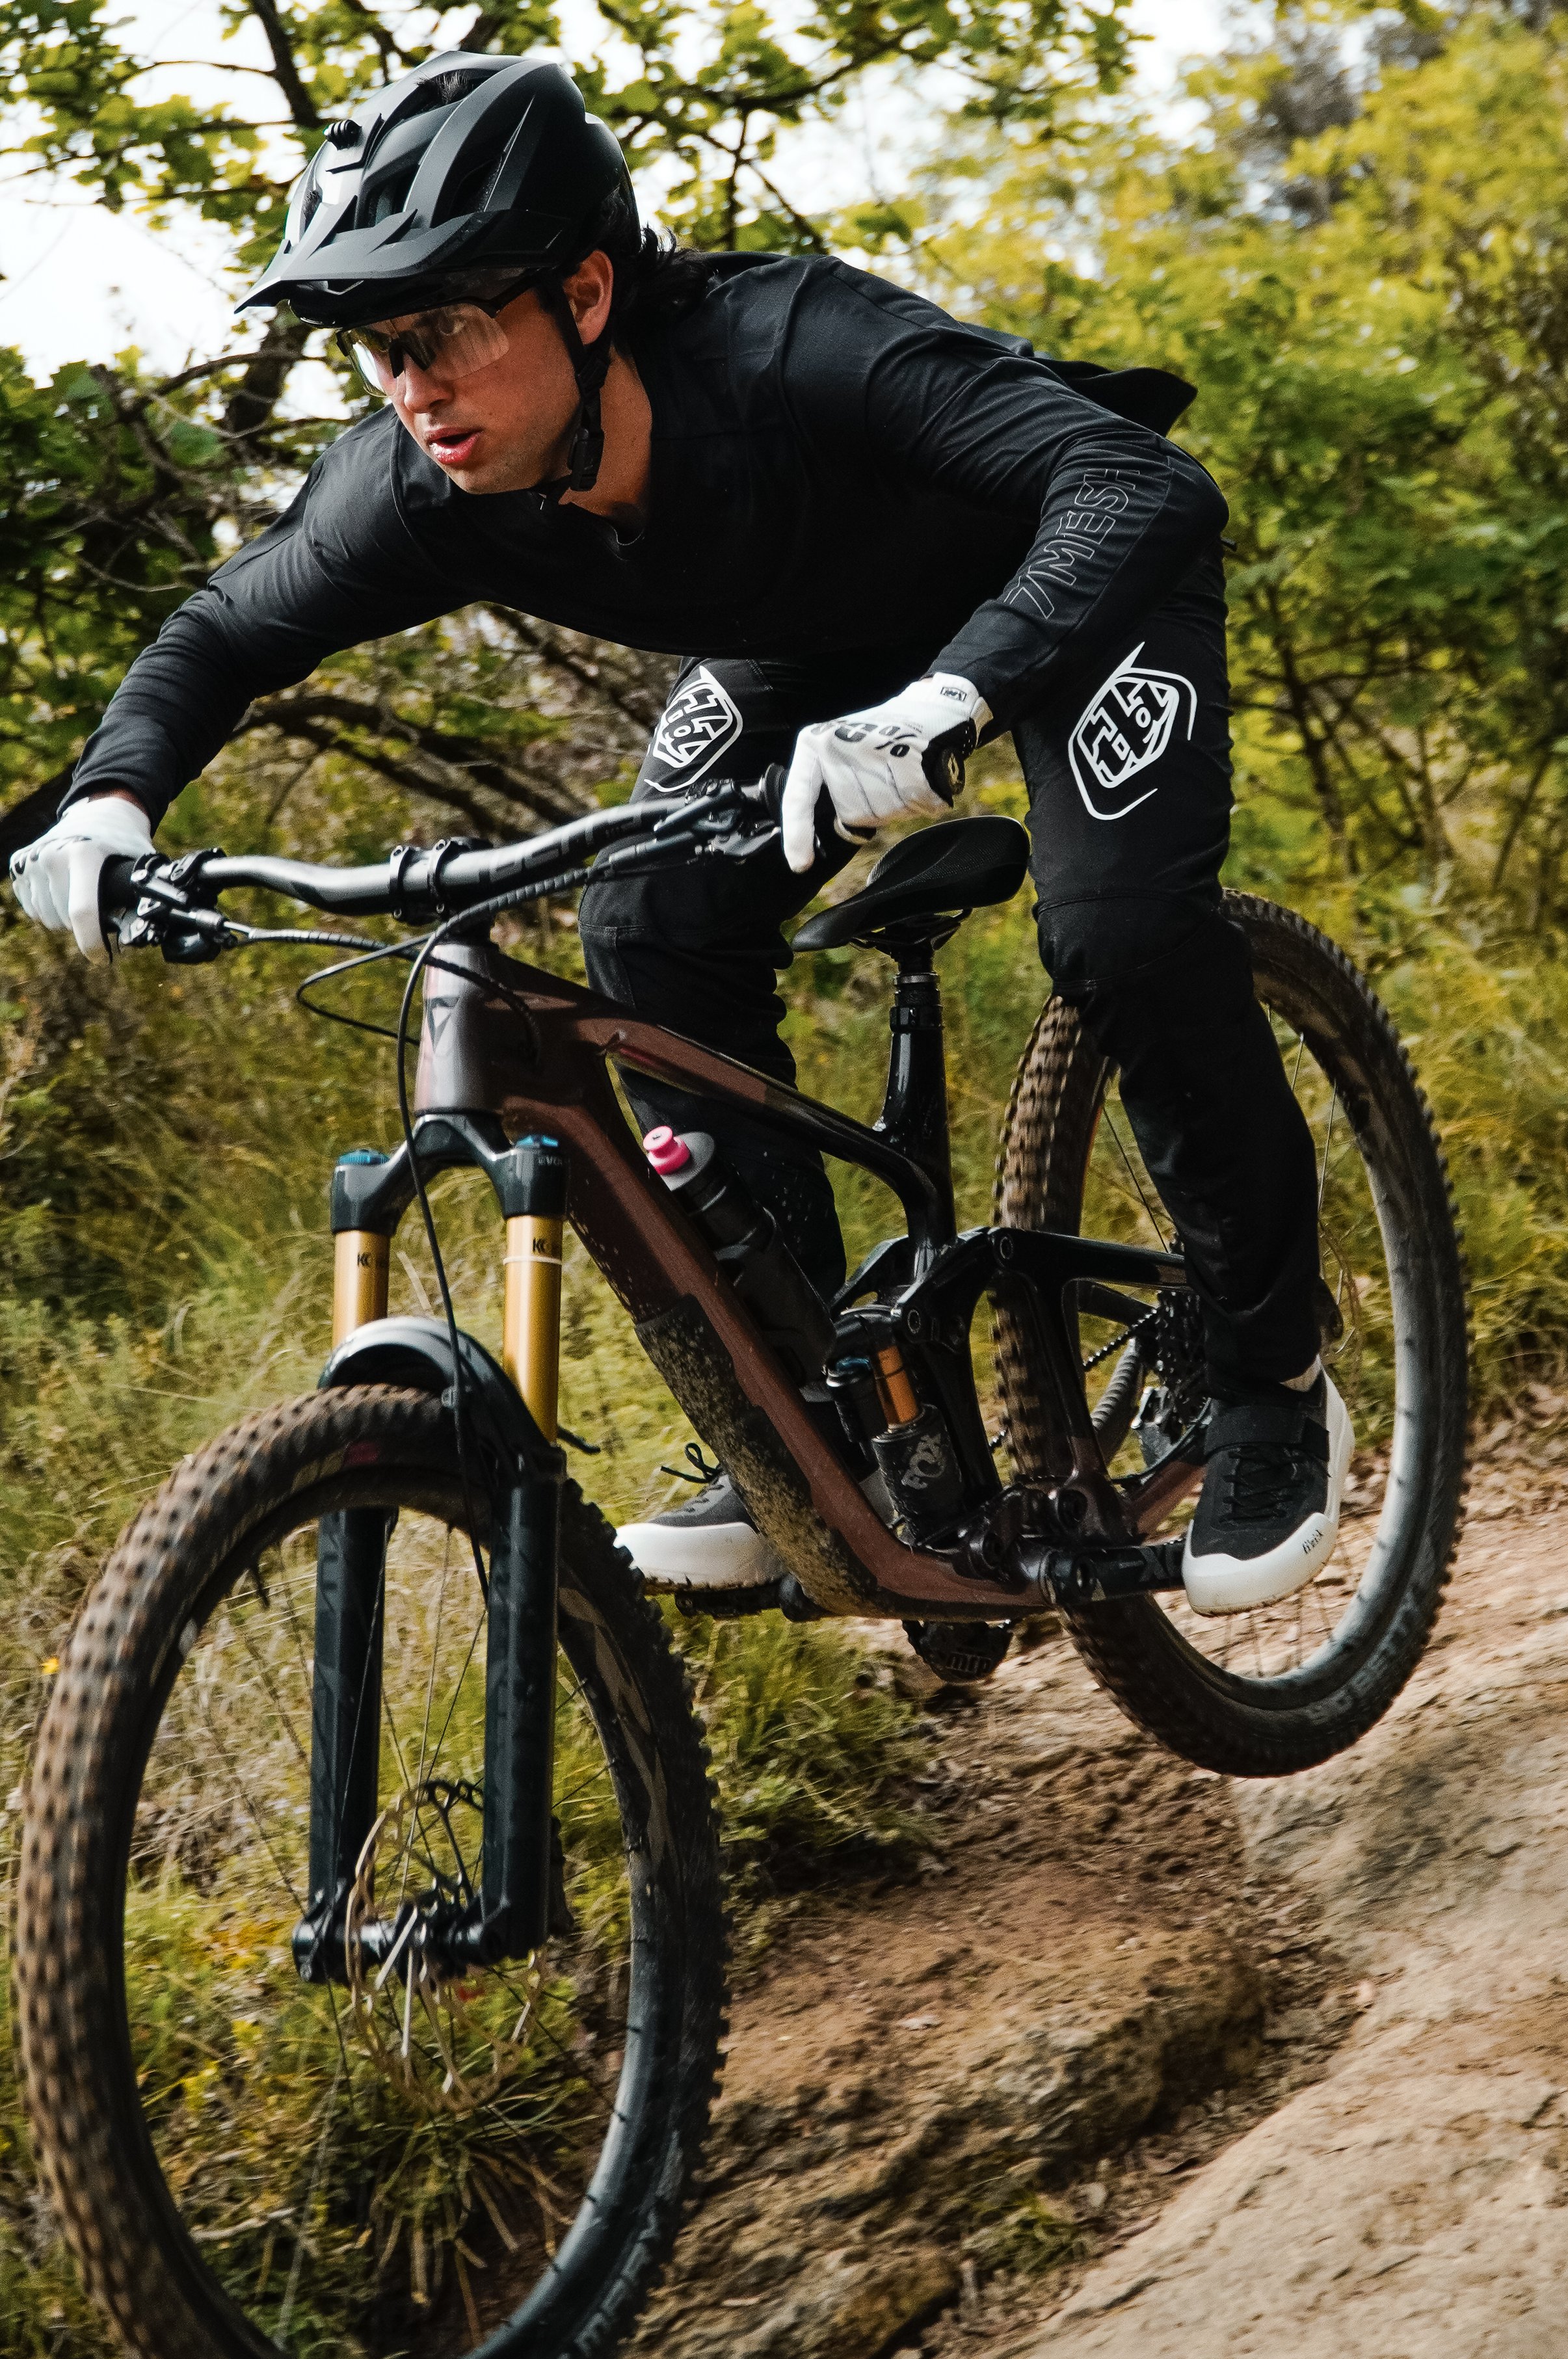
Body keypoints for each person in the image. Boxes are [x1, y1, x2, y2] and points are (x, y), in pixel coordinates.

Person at [8, 51, 1351, 1618]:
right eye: (379, 348)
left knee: (1117, 931)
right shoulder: (424, 484)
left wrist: (958, 699)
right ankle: (818, 1420)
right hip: (812, 656)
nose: (410, 388)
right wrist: (111, 802)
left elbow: (1130, 485)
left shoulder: (795, 348)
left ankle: (1270, 1368)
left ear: (584, 293)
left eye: (441, 330)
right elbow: (221, 633)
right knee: (646, 927)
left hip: (1059, 595)